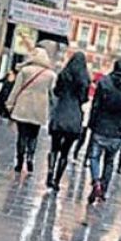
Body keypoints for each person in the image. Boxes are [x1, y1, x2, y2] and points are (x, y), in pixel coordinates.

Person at [87, 58, 121, 204]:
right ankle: (104, 189)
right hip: (118, 130)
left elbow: (96, 106)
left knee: (94, 157)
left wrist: (92, 123)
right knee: (109, 161)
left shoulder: (104, 83)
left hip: (101, 126)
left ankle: (96, 181)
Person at [6, 44, 56, 174]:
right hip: (39, 109)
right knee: (34, 135)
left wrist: (10, 104)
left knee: (22, 135)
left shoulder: (25, 71)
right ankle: (30, 158)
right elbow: (52, 94)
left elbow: (16, 89)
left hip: (23, 106)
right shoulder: (50, 75)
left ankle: (19, 161)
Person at [47, 51, 89, 191]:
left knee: (54, 148)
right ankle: (57, 181)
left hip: (60, 113)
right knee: (65, 152)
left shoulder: (63, 75)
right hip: (74, 117)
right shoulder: (84, 79)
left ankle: (50, 172)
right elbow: (84, 99)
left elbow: (56, 91)